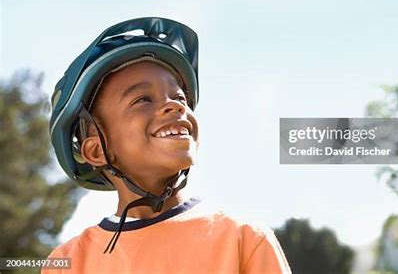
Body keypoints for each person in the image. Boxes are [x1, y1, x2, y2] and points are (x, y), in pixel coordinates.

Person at [43, 17, 291, 274]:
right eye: (143, 99)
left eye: (179, 97)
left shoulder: (243, 239)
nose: (176, 106)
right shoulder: (66, 263)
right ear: (96, 151)